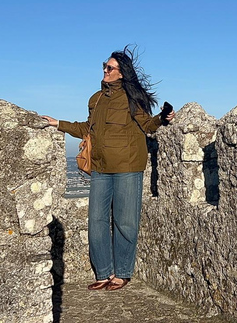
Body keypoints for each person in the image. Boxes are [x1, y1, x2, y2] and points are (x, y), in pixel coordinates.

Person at [41, 47, 174, 291]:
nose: (105, 70)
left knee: (125, 221)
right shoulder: (96, 99)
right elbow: (87, 128)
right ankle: (103, 272)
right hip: (100, 167)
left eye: (110, 68)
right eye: (105, 66)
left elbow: (148, 125)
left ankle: (122, 273)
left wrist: (163, 118)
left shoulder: (133, 98)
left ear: (121, 73)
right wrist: (57, 124)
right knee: (97, 221)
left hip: (127, 166)